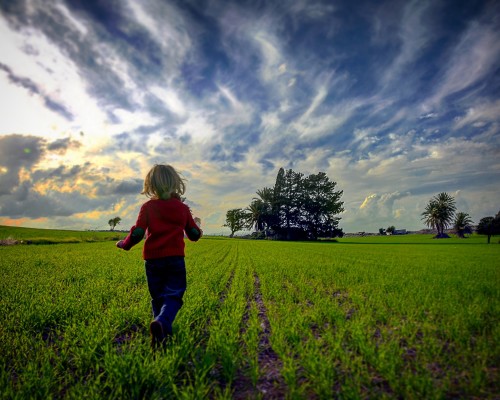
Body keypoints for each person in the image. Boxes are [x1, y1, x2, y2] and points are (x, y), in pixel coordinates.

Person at [116, 164, 202, 349]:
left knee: (157, 297)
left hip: (152, 261)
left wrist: (124, 244)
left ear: (151, 185)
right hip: (175, 259)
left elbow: (138, 233)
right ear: (175, 183)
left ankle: (161, 334)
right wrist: (197, 228)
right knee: (174, 295)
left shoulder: (147, 207)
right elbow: (194, 234)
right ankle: (163, 322)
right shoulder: (182, 208)